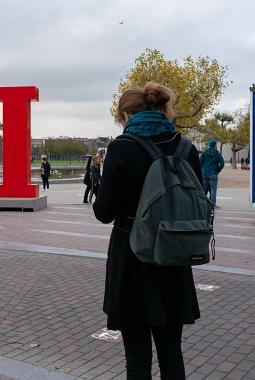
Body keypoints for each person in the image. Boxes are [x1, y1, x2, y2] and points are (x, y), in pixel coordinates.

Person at [93, 82, 202, 379]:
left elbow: (103, 213)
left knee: (138, 357)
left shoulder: (122, 148)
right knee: (171, 353)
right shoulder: (186, 147)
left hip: (134, 260)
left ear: (127, 115)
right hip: (175, 257)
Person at [199, 139, 224, 208]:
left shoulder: (204, 153)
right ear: (215, 145)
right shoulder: (217, 153)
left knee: (204, 189)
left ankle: (203, 203)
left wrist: (202, 170)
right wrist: (217, 171)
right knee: (213, 190)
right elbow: (222, 164)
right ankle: (213, 204)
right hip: (213, 173)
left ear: (209, 145)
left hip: (205, 173)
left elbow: (200, 163)